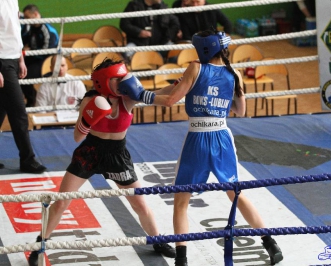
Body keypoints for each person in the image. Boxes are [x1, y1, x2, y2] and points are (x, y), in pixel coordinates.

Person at [117, 29, 284, 266]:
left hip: (198, 137)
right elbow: (241, 111)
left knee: (181, 200)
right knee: (236, 194)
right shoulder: (233, 72)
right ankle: (270, 244)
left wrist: (141, 95)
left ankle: (182, 260)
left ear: (204, 49)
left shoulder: (195, 68)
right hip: (222, 137)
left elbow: (172, 99)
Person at [27, 58, 175, 266]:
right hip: (90, 151)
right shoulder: (90, 101)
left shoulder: (128, 98)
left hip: (117, 154)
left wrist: (180, 84)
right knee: (62, 201)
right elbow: (77, 137)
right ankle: (40, 242)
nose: (124, 80)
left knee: (140, 203)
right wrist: (89, 119)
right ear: (105, 82)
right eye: (118, 78)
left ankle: (157, 241)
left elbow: (161, 97)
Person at [0, 0, 47, 174]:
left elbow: (15, 30)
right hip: (2, 62)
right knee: (19, 111)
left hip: (12, 57)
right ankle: (28, 160)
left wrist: (20, 58)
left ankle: (27, 159)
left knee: (2, 109)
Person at [21, 4, 59, 107]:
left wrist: (31, 50)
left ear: (36, 14)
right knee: (16, 68)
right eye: (25, 18)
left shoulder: (47, 29)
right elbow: (25, 41)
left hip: (46, 60)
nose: (26, 20)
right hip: (34, 57)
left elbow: (47, 51)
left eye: (28, 18)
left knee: (26, 75)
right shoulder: (32, 27)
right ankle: (28, 98)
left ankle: (32, 101)